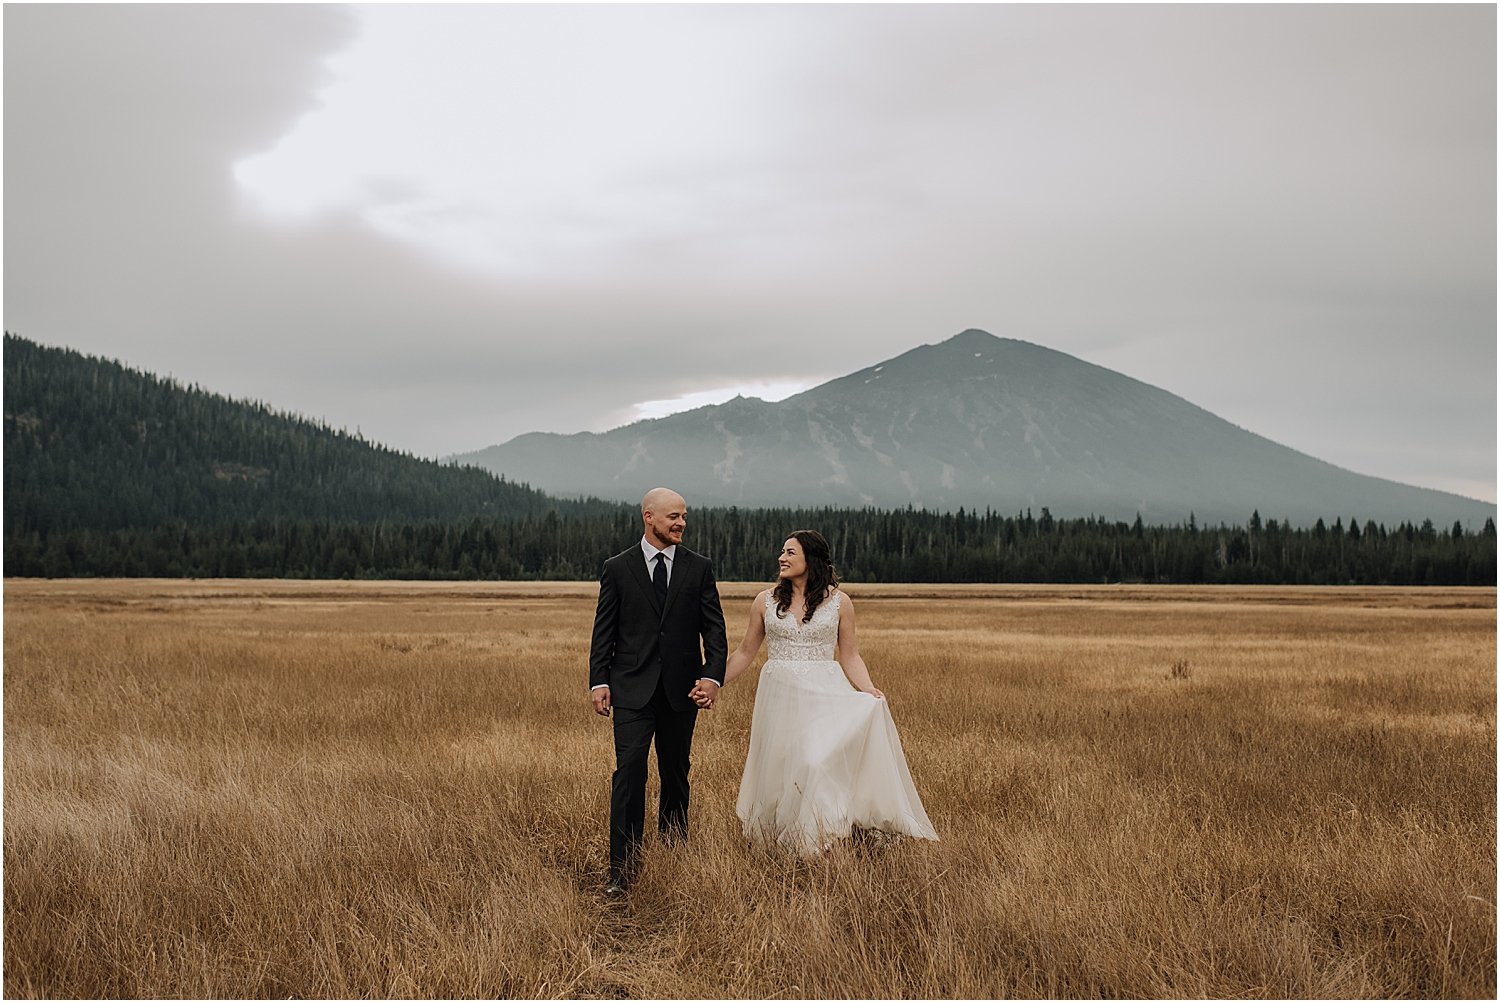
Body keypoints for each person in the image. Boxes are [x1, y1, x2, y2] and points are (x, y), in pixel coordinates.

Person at [692, 530, 937, 856]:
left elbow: (850, 654)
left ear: (811, 559)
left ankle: (820, 839)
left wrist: (867, 689)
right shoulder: (765, 601)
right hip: (779, 696)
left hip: (825, 695)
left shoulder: (840, 602)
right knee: (783, 767)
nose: (782, 558)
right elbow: (745, 652)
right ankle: (787, 841)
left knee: (816, 761)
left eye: (790, 553)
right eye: (782, 551)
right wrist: (711, 681)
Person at [589, 487, 727, 894]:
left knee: (676, 773)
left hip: (681, 692)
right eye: (673, 517)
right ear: (648, 517)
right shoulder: (618, 568)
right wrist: (599, 680)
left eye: (684, 516)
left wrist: (711, 677)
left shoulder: (699, 568)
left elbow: (714, 631)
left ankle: (673, 858)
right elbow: (604, 631)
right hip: (631, 689)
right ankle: (622, 871)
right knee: (629, 771)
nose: (681, 523)